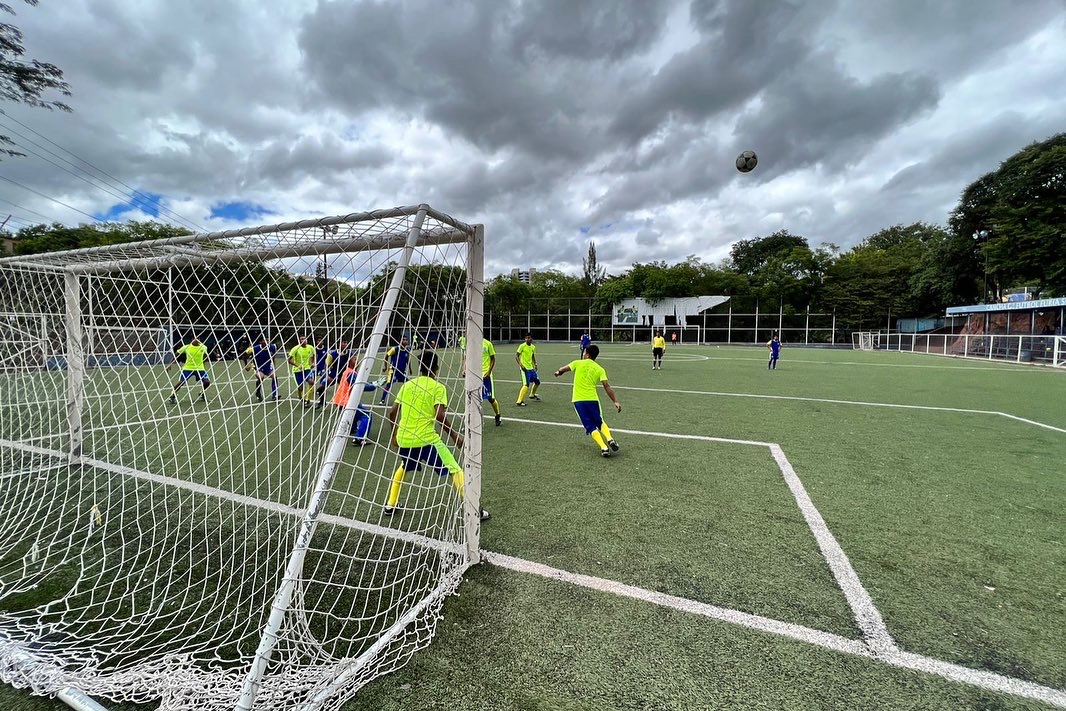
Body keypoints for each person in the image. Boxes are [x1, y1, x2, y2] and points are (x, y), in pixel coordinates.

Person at [384, 350, 490, 521]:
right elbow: (440, 416)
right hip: (427, 440)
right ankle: (474, 509)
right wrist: (455, 437)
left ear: (421, 367)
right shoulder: (438, 387)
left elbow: (392, 412)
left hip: (404, 439)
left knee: (404, 466)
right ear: (436, 368)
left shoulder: (408, 385)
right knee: (455, 469)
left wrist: (394, 436)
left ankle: (391, 503)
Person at [553, 344, 622, 458]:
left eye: (584, 352)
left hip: (578, 400)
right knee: (599, 422)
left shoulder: (578, 363)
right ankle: (609, 439)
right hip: (592, 399)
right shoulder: (600, 369)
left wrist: (558, 373)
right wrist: (615, 401)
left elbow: (563, 369)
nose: (583, 354)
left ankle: (604, 448)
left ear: (587, 355)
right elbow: (607, 386)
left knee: (590, 426)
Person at [168, 337, 211, 403]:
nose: (196, 340)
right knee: (181, 382)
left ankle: (202, 393)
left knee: (207, 382)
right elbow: (177, 353)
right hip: (188, 368)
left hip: (200, 369)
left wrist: (204, 365)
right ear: (192, 340)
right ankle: (172, 395)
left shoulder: (204, 347)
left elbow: (205, 356)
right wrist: (170, 364)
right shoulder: (186, 347)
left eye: (198, 338)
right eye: (194, 338)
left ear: (199, 340)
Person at [245, 335, 279, 401]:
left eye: (267, 340)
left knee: (274, 376)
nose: (267, 341)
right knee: (261, 377)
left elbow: (273, 357)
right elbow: (244, 355)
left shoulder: (273, 347)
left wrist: (274, 366)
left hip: (268, 367)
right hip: (257, 367)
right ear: (260, 342)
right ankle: (258, 393)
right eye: (265, 340)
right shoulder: (254, 348)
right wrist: (247, 365)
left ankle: (275, 395)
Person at [379, 336, 411, 405]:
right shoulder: (395, 349)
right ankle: (382, 399)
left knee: (409, 384)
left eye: (406, 340)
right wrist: (385, 367)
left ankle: (409, 398)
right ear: (400, 341)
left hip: (401, 372)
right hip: (393, 371)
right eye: (403, 340)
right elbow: (387, 355)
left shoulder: (407, 350)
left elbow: (408, 360)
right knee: (388, 385)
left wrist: (410, 369)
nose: (405, 341)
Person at [287, 335, 316, 407]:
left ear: (307, 340)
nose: (303, 340)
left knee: (311, 381)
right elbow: (289, 360)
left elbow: (314, 355)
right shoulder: (295, 349)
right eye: (301, 339)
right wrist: (298, 366)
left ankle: (308, 400)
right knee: (301, 387)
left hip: (307, 369)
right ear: (299, 341)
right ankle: (300, 397)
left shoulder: (311, 347)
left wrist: (313, 362)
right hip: (297, 371)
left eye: (304, 339)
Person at [480, 337, 503, 425]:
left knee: (490, 398)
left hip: (486, 375)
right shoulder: (471, 343)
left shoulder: (487, 344)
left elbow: (493, 359)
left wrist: (489, 372)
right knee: (473, 399)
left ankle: (497, 414)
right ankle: (471, 422)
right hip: (475, 375)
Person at [514, 333, 541, 406]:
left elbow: (532, 356)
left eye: (529, 338)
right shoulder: (522, 346)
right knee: (526, 384)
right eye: (526, 338)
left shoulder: (533, 347)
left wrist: (535, 364)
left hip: (531, 368)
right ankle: (519, 401)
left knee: (537, 382)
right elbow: (516, 355)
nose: (527, 339)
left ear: (531, 339)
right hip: (524, 368)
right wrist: (520, 365)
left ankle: (532, 395)